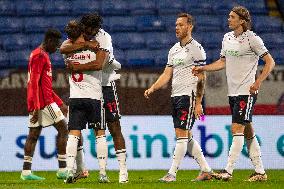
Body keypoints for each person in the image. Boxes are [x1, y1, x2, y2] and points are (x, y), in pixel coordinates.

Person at [192, 6, 275, 182]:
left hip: (247, 91)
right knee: (247, 130)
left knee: (236, 128)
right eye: (229, 16)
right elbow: (222, 62)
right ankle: (260, 172)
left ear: (242, 21)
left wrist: (258, 81)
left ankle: (227, 171)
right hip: (233, 92)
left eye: (232, 17)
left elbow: (270, 62)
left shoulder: (253, 39)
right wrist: (203, 68)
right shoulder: (226, 38)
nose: (228, 19)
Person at [60, 13, 128, 184]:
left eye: (91, 30)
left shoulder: (104, 38)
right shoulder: (83, 35)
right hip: (90, 89)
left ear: (96, 28)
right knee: (91, 131)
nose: (88, 32)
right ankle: (81, 169)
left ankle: (123, 170)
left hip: (106, 85)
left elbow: (99, 64)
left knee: (114, 127)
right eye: (86, 29)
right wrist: (86, 44)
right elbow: (63, 48)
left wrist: (76, 66)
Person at [144, 13, 213, 182]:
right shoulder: (174, 49)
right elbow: (167, 74)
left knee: (181, 135)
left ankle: (172, 174)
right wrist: (153, 87)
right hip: (175, 96)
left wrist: (198, 102)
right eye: (176, 24)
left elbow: (202, 78)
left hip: (188, 96)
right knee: (186, 135)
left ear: (190, 27)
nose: (177, 27)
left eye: (181, 25)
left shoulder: (197, 49)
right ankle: (206, 170)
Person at [62, 20, 108, 183]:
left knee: (73, 135)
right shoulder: (95, 45)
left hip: (75, 97)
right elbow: (98, 64)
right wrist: (88, 45)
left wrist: (76, 66)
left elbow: (64, 47)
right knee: (100, 134)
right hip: (94, 97)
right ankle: (102, 174)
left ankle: (69, 171)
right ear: (82, 31)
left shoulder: (67, 49)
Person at [21, 28, 68, 180]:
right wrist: (36, 107)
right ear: (49, 41)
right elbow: (34, 83)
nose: (57, 47)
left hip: (39, 101)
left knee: (33, 135)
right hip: (43, 103)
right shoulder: (40, 56)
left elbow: (44, 85)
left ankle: (26, 172)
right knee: (63, 129)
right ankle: (62, 170)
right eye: (56, 44)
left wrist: (60, 102)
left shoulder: (39, 54)